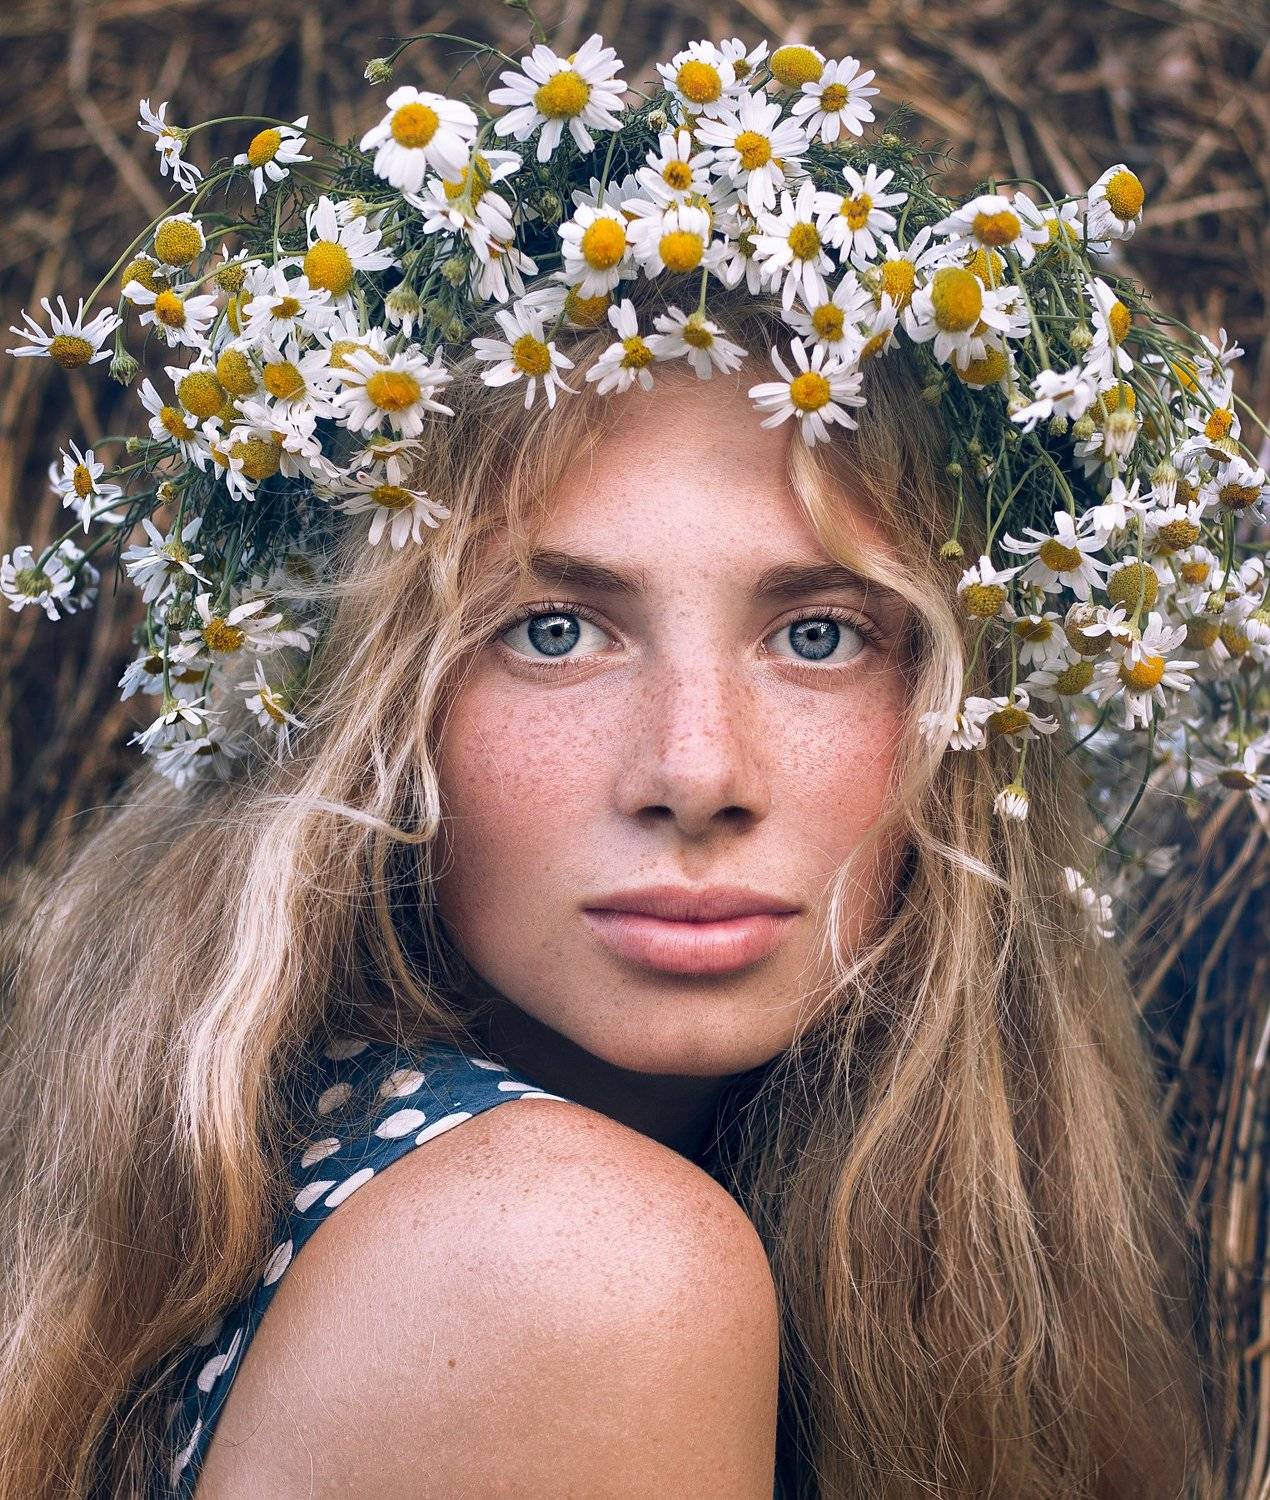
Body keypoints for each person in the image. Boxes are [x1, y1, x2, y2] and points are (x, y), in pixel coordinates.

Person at [0, 280, 1215, 1498]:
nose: (694, 773)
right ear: (357, 711)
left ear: (969, 724)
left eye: (819, 634)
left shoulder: (265, 1185)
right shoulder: (569, 1265)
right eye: (553, 630)